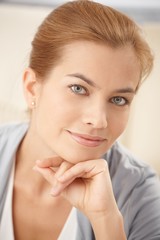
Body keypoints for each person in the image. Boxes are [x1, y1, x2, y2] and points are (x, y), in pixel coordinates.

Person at [0, 0, 160, 239]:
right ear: (33, 88)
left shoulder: (142, 195)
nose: (98, 121)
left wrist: (106, 219)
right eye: (78, 88)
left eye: (118, 100)